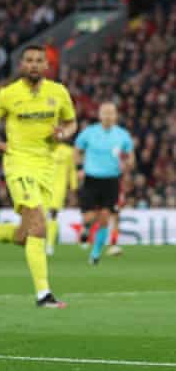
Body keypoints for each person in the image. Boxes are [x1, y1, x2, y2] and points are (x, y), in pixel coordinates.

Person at [0, 46, 77, 308]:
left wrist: (64, 134)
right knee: (39, 227)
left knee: (26, 233)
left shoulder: (59, 93)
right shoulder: (7, 95)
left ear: (46, 65)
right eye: (29, 60)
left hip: (46, 166)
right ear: (22, 65)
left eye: (38, 61)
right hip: (18, 164)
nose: (34, 65)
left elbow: (71, 122)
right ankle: (43, 294)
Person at [75, 102, 134, 265]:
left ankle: (95, 254)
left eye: (111, 113)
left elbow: (131, 157)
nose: (108, 116)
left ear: (116, 116)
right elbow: (77, 149)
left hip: (111, 180)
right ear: (99, 115)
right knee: (89, 217)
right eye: (105, 113)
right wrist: (79, 168)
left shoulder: (123, 135)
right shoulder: (89, 133)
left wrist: (127, 164)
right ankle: (86, 227)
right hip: (91, 179)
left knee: (104, 219)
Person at [46, 140, 78, 256]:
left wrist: (74, 187)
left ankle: (49, 244)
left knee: (53, 213)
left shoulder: (68, 151)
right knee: (41, 215)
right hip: (44, 185)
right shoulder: (45, 148)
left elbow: (72, 170)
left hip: (59, 187)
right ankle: (39, 242)